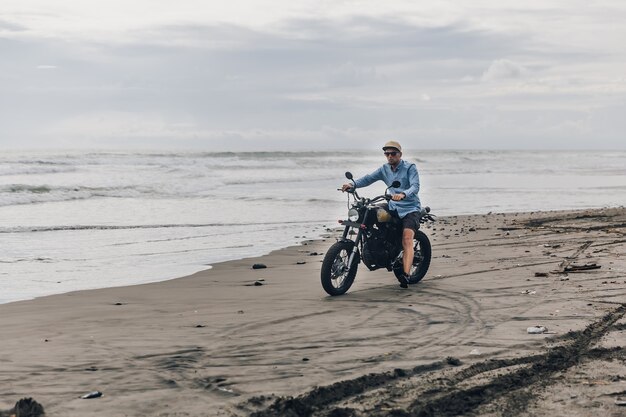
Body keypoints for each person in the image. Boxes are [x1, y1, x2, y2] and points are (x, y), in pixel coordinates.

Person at [341, 140, 421, 288]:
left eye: (393, 153)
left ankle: (406, 274)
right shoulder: (384, 169)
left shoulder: (410, 167)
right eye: (387, 153)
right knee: (369, 212)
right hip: (393, 205)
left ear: (400, 154)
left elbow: (415, 186)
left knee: (407, 238)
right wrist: (352, 185)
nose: (390, 156)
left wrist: (403, 194)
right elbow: (368, 178)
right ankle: (377, 245)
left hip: (410, 208)